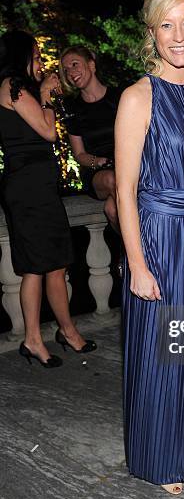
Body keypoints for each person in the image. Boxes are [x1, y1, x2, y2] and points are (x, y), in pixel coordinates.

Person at [115, 0, 184, 495]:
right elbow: (126, 189)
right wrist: (137, 265)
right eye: (166, 25)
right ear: (151, 32)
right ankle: (160, 458)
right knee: (163, 355)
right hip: (160, 239)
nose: (178, 36)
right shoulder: (138, 97)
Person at [0, 31, 96, 367]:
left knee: (57, 263)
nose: (41, 63)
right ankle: (32, 339)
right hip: (26, 190)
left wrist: (44, 96)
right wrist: (45, 96)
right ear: (20, 56)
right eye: (37, 56)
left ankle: (68, 331)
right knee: (35, 269)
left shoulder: (19, 87)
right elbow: (45, 132)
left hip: (40, 188)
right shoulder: (13, 86)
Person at [59, 46, 121, 231]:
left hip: (128, 164)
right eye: (66, 70)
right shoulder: (73, 109)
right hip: (98, 171)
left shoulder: (119, 98)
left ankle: (131, 255)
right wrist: (98, 161)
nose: (71, 72)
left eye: (75, 64)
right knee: (112, 180)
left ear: (91, 65)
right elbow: (79, 154)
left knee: (112, 209)